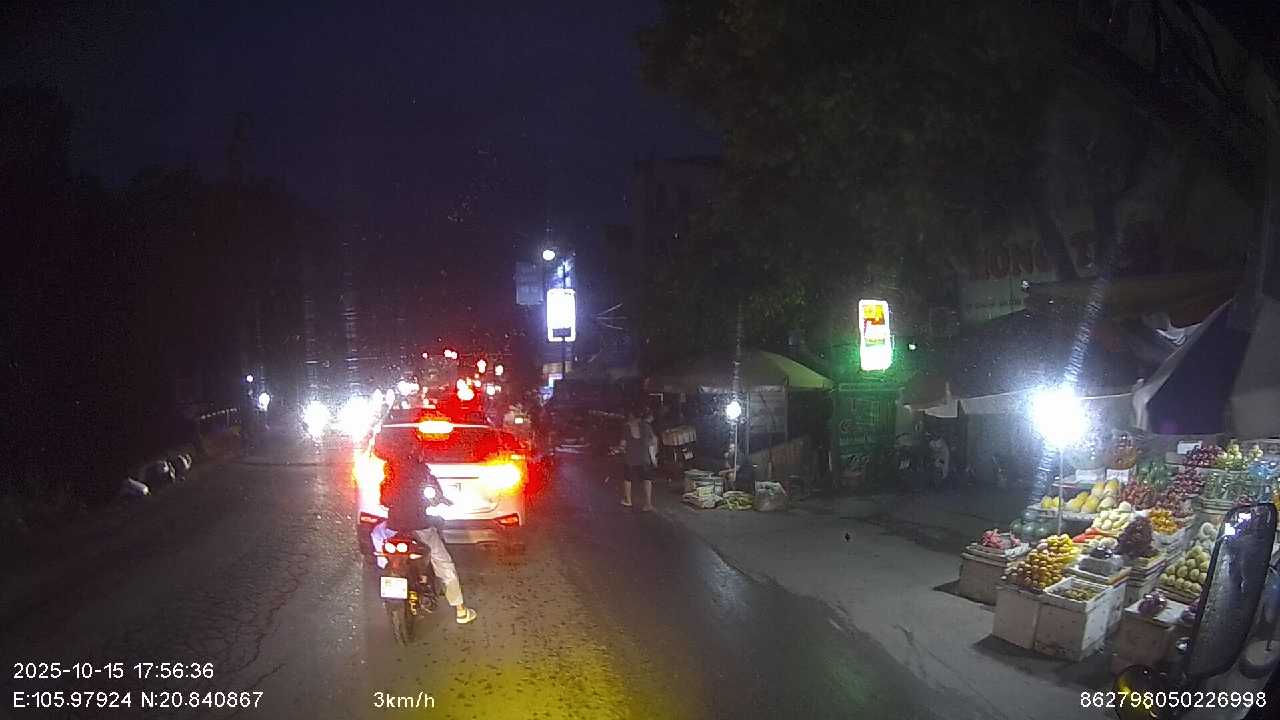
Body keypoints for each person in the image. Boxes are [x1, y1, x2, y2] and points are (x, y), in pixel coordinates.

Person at [378, 442, 477, 624]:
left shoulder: (390, 471)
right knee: (443, 563)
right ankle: (460, 610)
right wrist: (441, 500)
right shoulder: (422, 471)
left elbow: (384, 500)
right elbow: (435, 495)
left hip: (394, 527)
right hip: (420, 526)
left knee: (381, 546)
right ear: (417, 454)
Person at [620, 406, 658, 510]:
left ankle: (628, 501)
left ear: (631, 415)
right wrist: (653, 455)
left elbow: (623, 444)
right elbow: (654, 440)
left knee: (627, 478)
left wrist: (621, 449)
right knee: (647, 479)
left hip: (630, 458)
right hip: (644, 457)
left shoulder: (626, 427)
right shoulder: (646, 426)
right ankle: (648, 504)